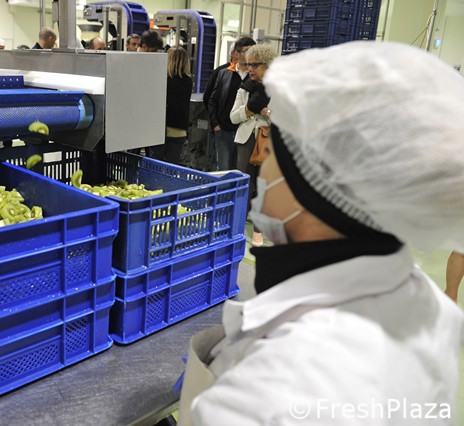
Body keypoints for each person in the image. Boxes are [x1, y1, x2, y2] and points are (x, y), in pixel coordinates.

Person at [179, 41, 464, 425]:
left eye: (273, 156)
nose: (262, 168)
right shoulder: (424, 303)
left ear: (315, 190)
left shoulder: (278, 385)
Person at [230, 44, 276, 248]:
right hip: (245, 141)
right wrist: (249, 109)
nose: (250, 68)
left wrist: (266, 112)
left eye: (255, 65)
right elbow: (233, 117)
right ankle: (236, 226)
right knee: (243, 185)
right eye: (249, 64)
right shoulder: (245, 88)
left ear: (268, 65)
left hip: (268, 142)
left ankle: (258, 230)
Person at [207, 37, 255, 171]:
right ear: (237, 54)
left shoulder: (255, 76)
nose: (250, 54)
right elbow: (212, 100)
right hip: (224, 130)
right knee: (224, 168)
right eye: (247, 51)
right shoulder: (224, 73)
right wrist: (215, 124)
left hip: (245, 132)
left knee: (242, 170)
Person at [148, 47, 193, 164]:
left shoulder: (161, 79)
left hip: (159, 130)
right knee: (172, 167)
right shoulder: (188, 81)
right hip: (179, 131)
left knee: (155, 166)